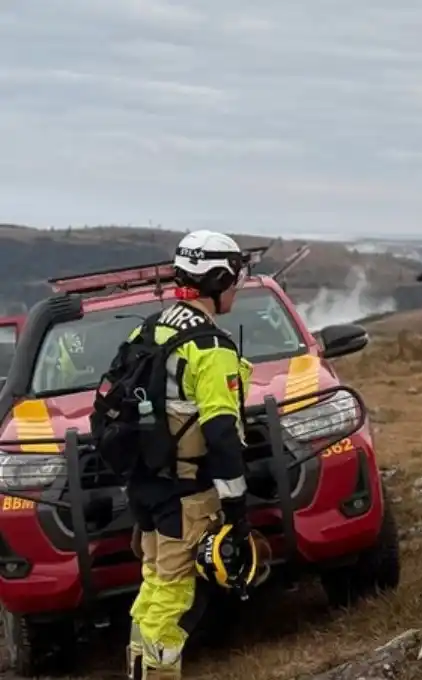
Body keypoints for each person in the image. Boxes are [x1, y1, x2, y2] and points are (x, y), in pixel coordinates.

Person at [125, 230, 253, 680]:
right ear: (218, 280)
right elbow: (221, 434)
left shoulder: (150, 329)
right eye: (237, 275)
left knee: (154, 589)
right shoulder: (210, 348)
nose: (239, 284)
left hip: (148, 489)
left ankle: (139, 669)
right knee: (175, 605)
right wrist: (238, 511)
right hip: (187, 495)